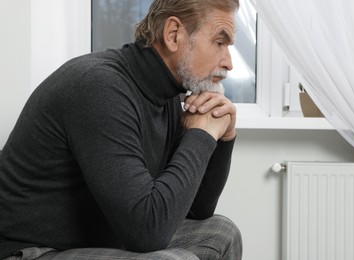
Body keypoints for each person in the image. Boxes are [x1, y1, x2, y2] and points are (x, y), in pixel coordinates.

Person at [0, 0, 242, 259]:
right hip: (33, 250)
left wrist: (223, 137)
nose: (228, 63)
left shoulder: (167, 93)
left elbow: (195, 210)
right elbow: (148, 232)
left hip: (103, 238)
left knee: (221, 232)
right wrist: (201, 135)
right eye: (219, 42)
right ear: (174, 34)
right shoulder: (100, 87)